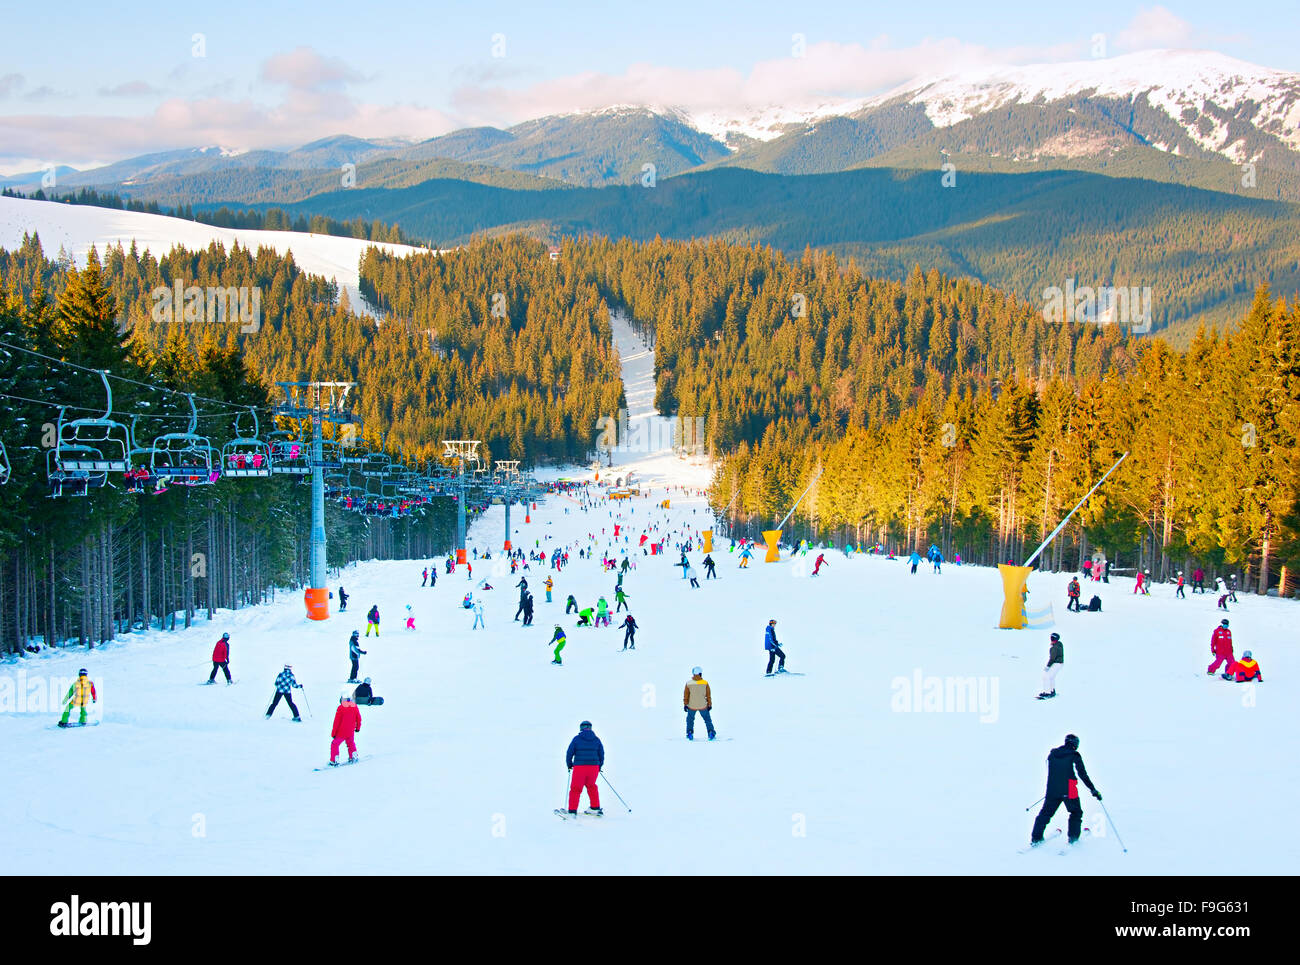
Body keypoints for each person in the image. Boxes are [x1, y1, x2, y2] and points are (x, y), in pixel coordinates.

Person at [1029, 734, 1101, 846]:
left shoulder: (1052, 754)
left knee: (1045, 813)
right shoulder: (1074, 755)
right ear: (1075, 744)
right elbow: (1082, 774)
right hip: (1070, 789)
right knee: (1076, 812)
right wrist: (1093, 790)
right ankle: (1073, 838)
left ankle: (1036, 838)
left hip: (1052, 789)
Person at [563, 721, 604, 816]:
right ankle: (595, 808)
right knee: (591, 786)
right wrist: (599, 766)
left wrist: (569, 765)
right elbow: (601, 754)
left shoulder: (577, 739)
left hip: (580, 767)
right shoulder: (596, 739)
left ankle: (572, 811)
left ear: (581, 728)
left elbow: (569, 753)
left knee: (576, 788)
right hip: (594, 767)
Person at [329, 692, 362, 766]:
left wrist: (333, 733)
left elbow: (336, 722)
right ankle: (353, 756)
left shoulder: (340, 708)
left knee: (335, 744)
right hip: (350, 731)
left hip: (341, 731)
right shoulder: (355, 706)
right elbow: (359, 719)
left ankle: (334, 760)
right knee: (350, 743)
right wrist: (358, 728)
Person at [683, 667, 716, 740]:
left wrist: (685, 704)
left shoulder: (689, 683)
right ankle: (711, 732)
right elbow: (708, 695)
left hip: (692, 706)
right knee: (707, 719)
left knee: (690, 720)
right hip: (703, 705)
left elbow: (686, 695)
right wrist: (709, 704)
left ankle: (689, 733)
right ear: (700, 673)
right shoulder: (705, 683)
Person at [1038, 632, 1063, 699]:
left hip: (1056, 663)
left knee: (1046, 677)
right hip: (1059, 663)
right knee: (1051, 677)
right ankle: (1052, 691)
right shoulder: (1059, 644)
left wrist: (1048, 666)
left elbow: (1052, 658)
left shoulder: (1054, 648)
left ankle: (1047, 692)